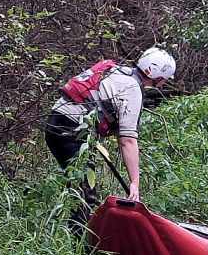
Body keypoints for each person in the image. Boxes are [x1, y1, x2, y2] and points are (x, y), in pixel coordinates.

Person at [44, 47, 176, 221]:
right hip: (72, 130)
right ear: (157, 77)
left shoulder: (117, 71)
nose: (164, 83)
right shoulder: (132, 89)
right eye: (164, 79)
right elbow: (127, 140)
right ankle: (80, 238)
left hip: (55, 121)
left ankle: (75, 231)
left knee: (79, 187)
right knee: (84, 195)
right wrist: (134, 183)